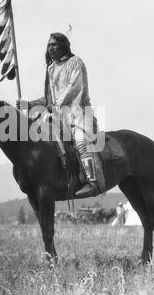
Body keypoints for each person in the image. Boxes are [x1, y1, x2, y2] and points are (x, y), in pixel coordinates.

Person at [17, 32, 101, 196]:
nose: (50, 48)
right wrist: (30, 104)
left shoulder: (75, 62)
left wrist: (54, 105)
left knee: (81, 141)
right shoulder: (51, 68)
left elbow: (74, 88)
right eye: (49, 45)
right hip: (57, 115)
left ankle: (93, 182)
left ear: (64, 45)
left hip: (78, 112)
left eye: (54, 44)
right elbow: (49, 97)